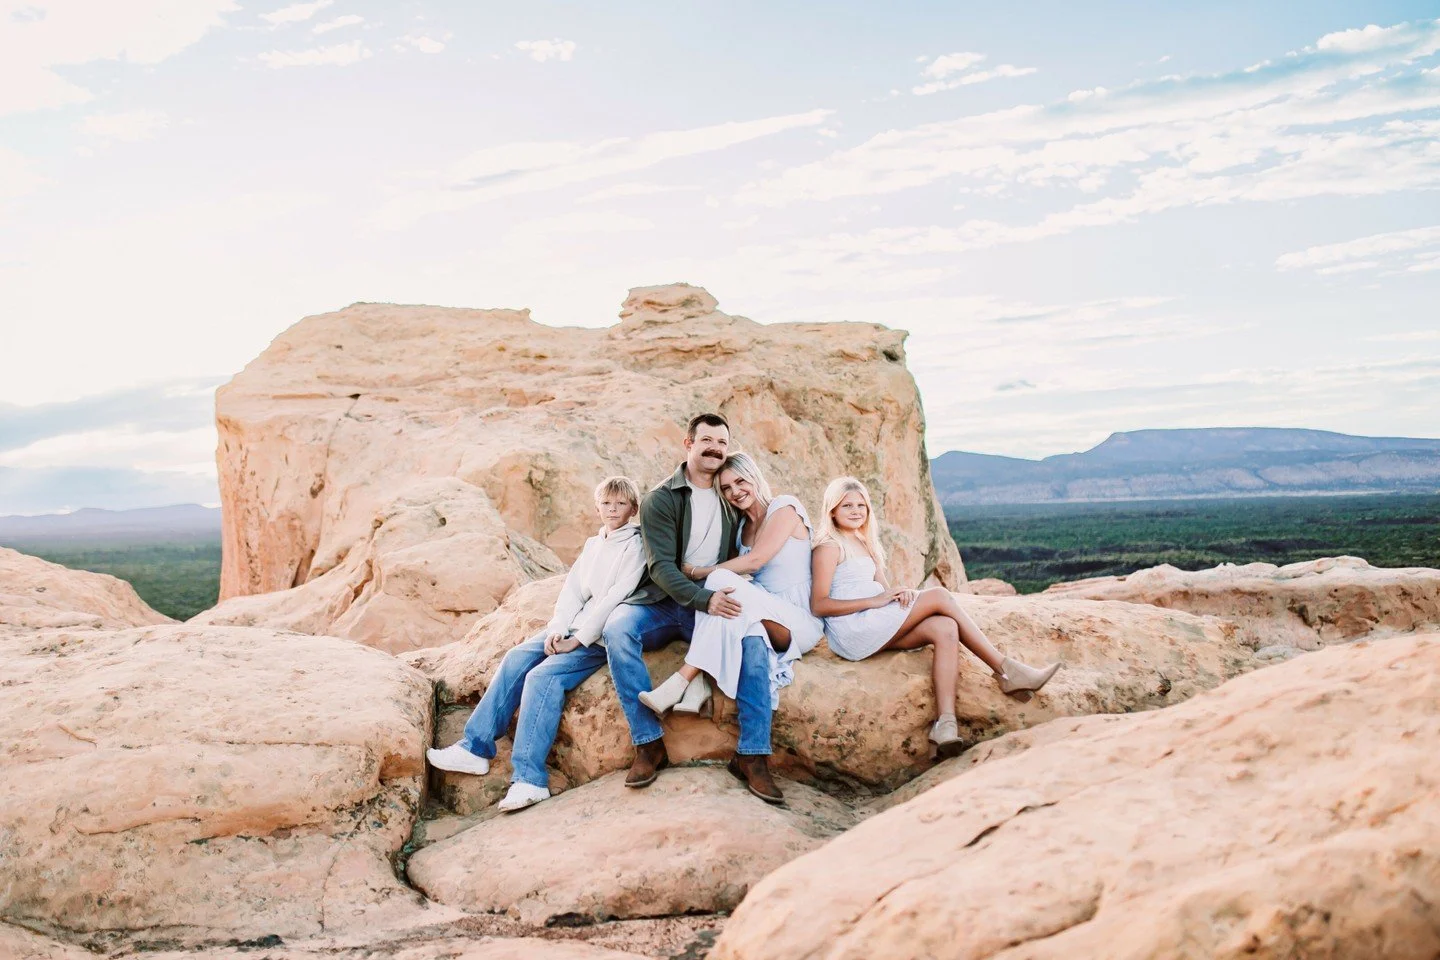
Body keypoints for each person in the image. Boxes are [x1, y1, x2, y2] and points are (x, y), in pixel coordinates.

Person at [425, 476, 646, 813]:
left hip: (598, 636)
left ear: (633, 508)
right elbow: (573, 592)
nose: (612, 510)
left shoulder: (636, 546)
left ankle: (530, 779)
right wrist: (557, 629)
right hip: (571, 626)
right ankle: (475, 748)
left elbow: (616, 598)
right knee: (516, 658)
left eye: (620, 504)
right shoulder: (593, 544)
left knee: (542, 678)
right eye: (606, 503)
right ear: (596, 507)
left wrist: (578, 639)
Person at [600, 413, 786, 803]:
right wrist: (704, 598)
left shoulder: (730, 496)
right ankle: (649, 743)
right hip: (664, 602)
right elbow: (661, 568)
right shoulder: (661, 499)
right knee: (617, 629)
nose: (715, 449)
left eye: (722, 443)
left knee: (753, 643)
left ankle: (752, 756)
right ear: (689, 444)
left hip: (713, 600)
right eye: (707, 441)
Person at [810, 476, 1061, 757]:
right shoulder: (828, 546)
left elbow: (884, 590)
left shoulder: (863, 541)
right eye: (847, 506)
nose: (856, 511)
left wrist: (900, 593)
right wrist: (875, 601)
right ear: (832, 510)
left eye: (861, 505)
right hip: (852, 629)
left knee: (945, 627)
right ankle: (1007, 670)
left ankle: (945, 725)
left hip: (874, 621)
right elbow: (819, 604)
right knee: (940, 596)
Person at [640, 451, 823, 717]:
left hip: (799, 621)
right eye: (726, 488)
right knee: (722, 598)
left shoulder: (784, 507)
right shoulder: (741, 529)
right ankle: (697, 685)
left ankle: (681, 680)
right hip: (767, 616)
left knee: (717, 580)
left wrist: (697, 571)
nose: (735, 492)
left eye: (740, 481)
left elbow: (755, 561)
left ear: (754, 477)